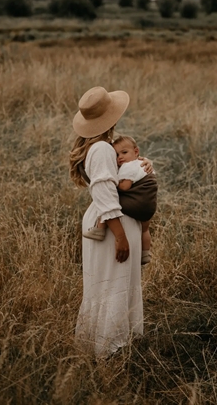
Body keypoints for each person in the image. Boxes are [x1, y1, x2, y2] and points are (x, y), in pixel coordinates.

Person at [69, 86, 152, 358]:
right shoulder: (103, 148)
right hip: (112, 221)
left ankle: (98, 344)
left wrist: (143, 163)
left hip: (104, 217)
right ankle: (110, 350)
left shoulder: (95, 147)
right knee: (114, 283)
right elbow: (104, 192)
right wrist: (120, 236)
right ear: (111, 118)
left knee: (103, 284)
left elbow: (117, 178)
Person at [83, 135, 157, 265]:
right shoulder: (140, 163)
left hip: (135, 203)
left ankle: (99, 229)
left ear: (136, 151)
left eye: (124, 153)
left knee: (109, 200)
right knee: (145, 229)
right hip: (148, 206)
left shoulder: (128, 167)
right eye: (117, 155)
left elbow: (125, 186)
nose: (120, 157)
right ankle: (145, 253)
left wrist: (111, 182)